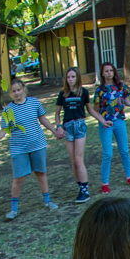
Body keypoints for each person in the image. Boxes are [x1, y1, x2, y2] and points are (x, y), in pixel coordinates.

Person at [0, 77, 64, 221]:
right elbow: (4, 130)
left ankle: (48, 201)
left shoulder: (34, 103)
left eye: (19, 90)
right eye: (14, 91)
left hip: (37, 144)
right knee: (18, 178)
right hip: (18, 148)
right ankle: (13, 209)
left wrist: (55, 131)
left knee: (41, 173)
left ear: (24, 89)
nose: (17, 93)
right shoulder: (8, 110)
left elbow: (43, 120)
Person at [93, 62, 130, 193]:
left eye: (111, 70)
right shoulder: (100, 90)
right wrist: (102, 121)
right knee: (107, 153)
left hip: (119, 122)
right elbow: (95, 110)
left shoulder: (120, 87)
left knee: (124, 150)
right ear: (102, 73)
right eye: (106, 71)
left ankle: (129, 177)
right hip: (106, 124)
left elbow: (127, 101)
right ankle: (105, 183)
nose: (109, 73)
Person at [52, 69, 93, 202]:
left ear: (78, 77)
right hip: (67, 126)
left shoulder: (84, 92)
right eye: (68, 77)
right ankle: (80, 186)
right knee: (73, 161)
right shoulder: (62, 94)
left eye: (73, 76)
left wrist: (103, 120)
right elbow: (57, 113)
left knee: (78, 159)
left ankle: (85, 191)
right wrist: (58, 127)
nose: (71, 79)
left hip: (79, 125)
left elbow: (90, 109)